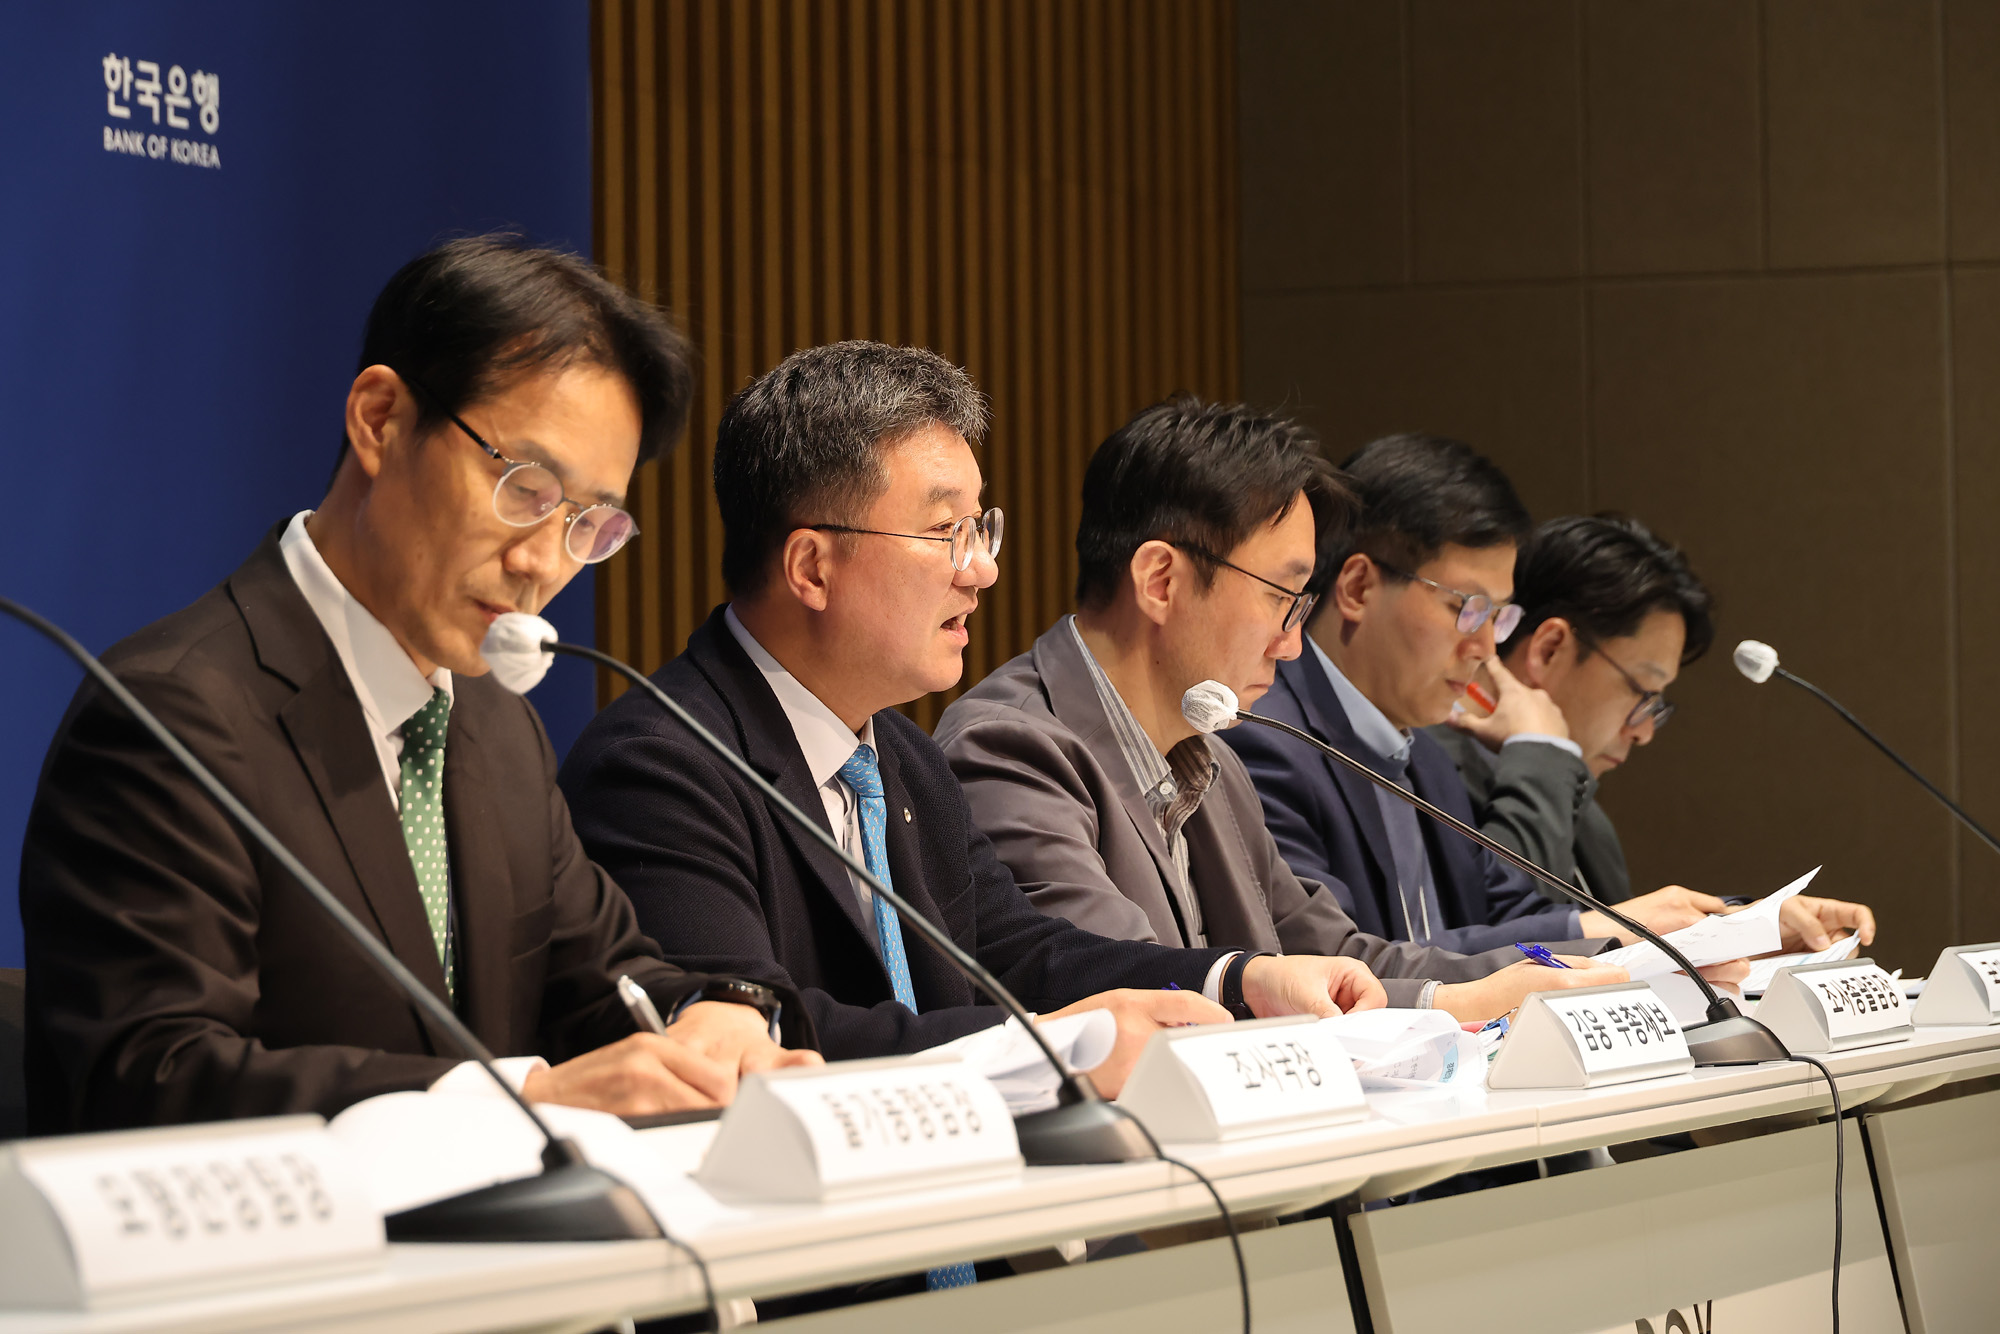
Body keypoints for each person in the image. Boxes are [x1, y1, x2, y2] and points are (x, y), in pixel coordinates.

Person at [20, 236, 818, 1136]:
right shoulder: (169, 715)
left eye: (588, 522)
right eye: (525, 486)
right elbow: (152, 1077)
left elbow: (605, 983)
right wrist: (522, 1104)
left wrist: (713, 1015)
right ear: (381, 420)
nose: (541, 563)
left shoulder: (495, 726)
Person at [561, 342, 1401, 1102]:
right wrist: (1053, 1050)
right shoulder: (659, 765)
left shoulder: (902, 756)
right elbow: (757, 1041)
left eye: (980, 529)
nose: (982, 570)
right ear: (812, 567)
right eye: (945, 532)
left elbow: (1022, 953)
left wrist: (1238, 980)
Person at [934, 397, 1624, 1018]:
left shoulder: (1212, 762)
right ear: (1161, 581)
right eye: (1282, 598)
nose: (1292, 644)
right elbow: (1133, 1000)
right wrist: (1459, 1001)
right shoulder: (1012, 747)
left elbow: (1340, 959)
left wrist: (1594, 966)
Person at [1430, 513, 1875, 950]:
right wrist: (1543, 752)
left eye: (1655, 705)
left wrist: (1748, 932)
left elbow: (1619, 954)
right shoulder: (1426, 773)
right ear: (1550, 650)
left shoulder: (1578, 804)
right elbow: (1483, 955)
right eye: (1641, 692)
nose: (1644, 731)